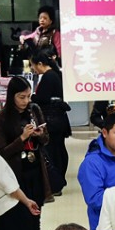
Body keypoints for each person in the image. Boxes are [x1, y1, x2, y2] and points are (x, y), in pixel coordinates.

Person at [0, 75, 54, 206]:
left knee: (36, 211)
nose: (26, 101)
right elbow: (3, 152)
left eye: (28, 96)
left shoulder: (34, 110)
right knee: (21, 214)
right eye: (21, 97)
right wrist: (22, 137)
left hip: (36, 169)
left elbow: (46, 140)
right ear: (12, 96)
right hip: (16, 172)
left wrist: (40, 134)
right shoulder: (1, 118)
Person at [30, 47, 71, 196]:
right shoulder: (54, 75)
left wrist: (31, 97)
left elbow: (42, 98)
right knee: (58, 149)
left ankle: (56, 183)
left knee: (53, 151)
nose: (33, 69)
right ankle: (58, 182)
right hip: (58, 119)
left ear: (40, 63)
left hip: (52, 120)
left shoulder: (48, 76)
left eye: (33, 65)